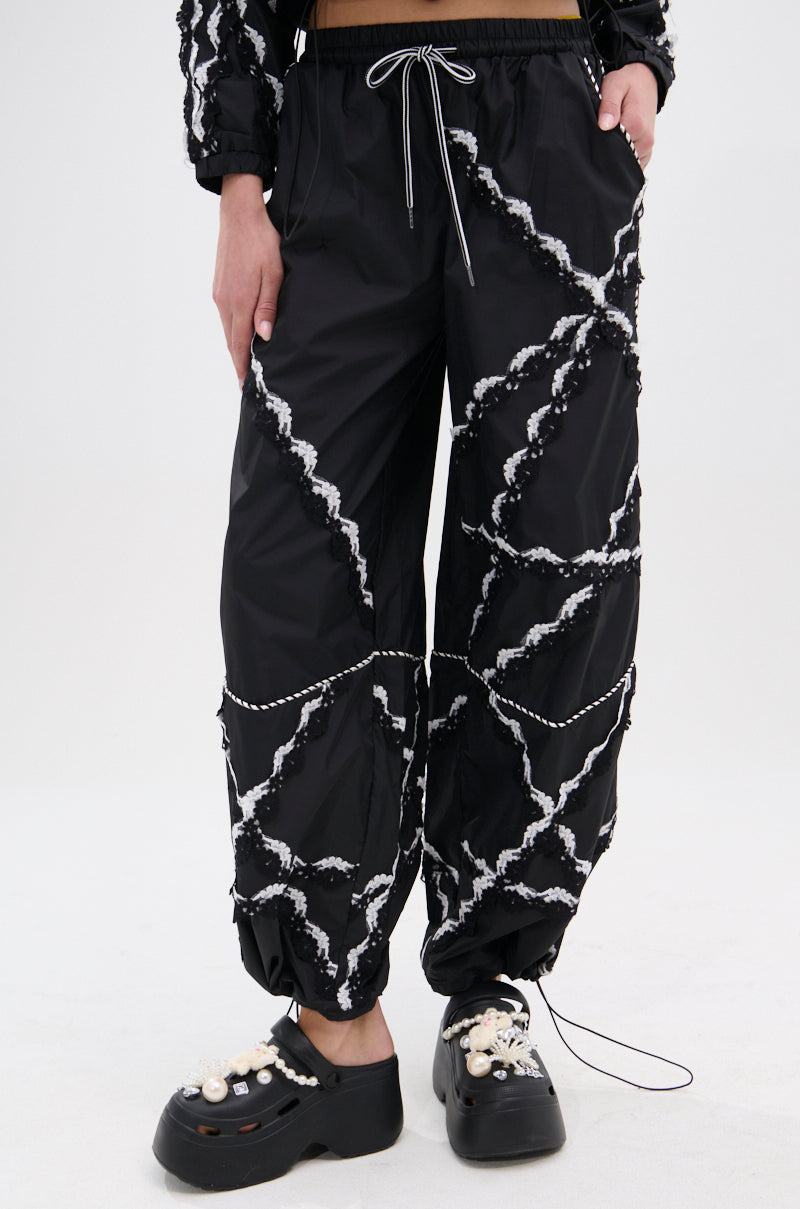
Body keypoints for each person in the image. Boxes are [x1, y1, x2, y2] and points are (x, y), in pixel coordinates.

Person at [153, 0, 677, 1190]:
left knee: (551, 551)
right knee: (296, 564)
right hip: (338, 124)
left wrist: (637, 49)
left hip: (552, 116)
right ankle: (335, 1027)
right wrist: (238, 181)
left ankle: (488, 994)